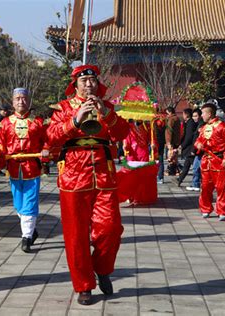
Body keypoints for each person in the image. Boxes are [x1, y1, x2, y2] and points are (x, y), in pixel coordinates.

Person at [46, 65, 130, 305]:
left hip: (103, 175)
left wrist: (106, 113)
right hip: (73, 176)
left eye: (93, 80)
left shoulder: (107, 107)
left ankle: (102, 268)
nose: (89, 85)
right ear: (75, 85)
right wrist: (75, 120)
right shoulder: (63, 108)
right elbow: (51, 136)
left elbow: (123, 133)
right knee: (76, 236)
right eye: (84, 81)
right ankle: (84, 285)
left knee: (111, 228)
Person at [0, 88, 49, 253]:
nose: (21, 101)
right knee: (18, 204)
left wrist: (45, 151)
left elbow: (48, 140)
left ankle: (26, 238)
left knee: (29, 203)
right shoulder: (6, 123)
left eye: (24, 98)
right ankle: (31, 229)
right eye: (17, 99)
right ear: (12, 102)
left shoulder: (38, 122)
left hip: (32, 168)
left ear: (28, 100)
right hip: (14, 168)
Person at [194, 101, 225, 221]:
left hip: (220, 160)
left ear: (210, 113)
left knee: (222, 187)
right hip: (207, 160)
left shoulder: (223, 127)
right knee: (205, 186)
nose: (202, 115)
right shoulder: (204, 128)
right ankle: (205, 208)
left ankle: (222, 211)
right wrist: (198, 145)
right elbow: (198, 141)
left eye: (203, 113)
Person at [176, 108, 197, 186]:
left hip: (190, 147)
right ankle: (180, 179)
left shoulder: (190, 123)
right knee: (187, 165)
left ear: (187, 115)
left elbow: (189, 137)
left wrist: (182, 145)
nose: (183, 115)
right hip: (189, 148)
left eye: (183, 114)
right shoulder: (188, 123)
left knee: (194, 166)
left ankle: (198, 181)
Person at [186, 109, 203, 192]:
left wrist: (193, 149)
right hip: (197, 150)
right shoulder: (198, 124)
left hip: (200, 150)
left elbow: (197, 138)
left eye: (196, 116)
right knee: (196, 167)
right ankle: (195, 183)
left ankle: (196, 184)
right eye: (193, 116)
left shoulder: (202, 125)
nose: (194, 118)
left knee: (197, 168)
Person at [165, 106, 181, 176]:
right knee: (174, 157)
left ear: (170, 112)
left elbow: (169, 131)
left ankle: (171, 171)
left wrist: (168, 142)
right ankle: (175, 171)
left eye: (167, 113)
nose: (166, 115)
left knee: (170, 157)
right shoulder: (177, 118)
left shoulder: (171, 119)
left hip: (171, 141)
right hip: (176, 140)